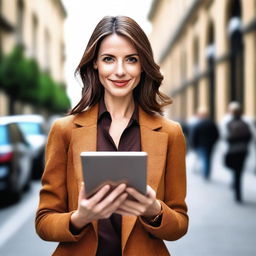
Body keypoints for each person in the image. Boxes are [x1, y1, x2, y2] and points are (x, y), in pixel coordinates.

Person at [35, 16, 188, 256]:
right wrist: (79, 218)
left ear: (142, 65)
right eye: (109, 59)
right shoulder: (64, 131)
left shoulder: (170, 133)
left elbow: (179, 224)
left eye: (131, 60)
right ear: (95, 63)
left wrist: (154, 210)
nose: (120, 71)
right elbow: (44, 222)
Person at [222, 102, 252, 203]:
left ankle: (236, 187)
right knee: (239, 171)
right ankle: (238, 192)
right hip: (243, 151)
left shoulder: (229, 124)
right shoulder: (245, 123)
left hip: (232, 150)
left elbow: (226, 138)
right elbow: (250, 137)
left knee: (235, 169)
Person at [189, 107, 219, 180]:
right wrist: (213, 142)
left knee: (204, 158)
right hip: (210, 145)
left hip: (201, 145)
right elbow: (217, 134)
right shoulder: (211, 123)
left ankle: (205, 173)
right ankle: (207, 172)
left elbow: (194, 136)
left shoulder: (198, 124)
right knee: (208, 158)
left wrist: (193, 145)